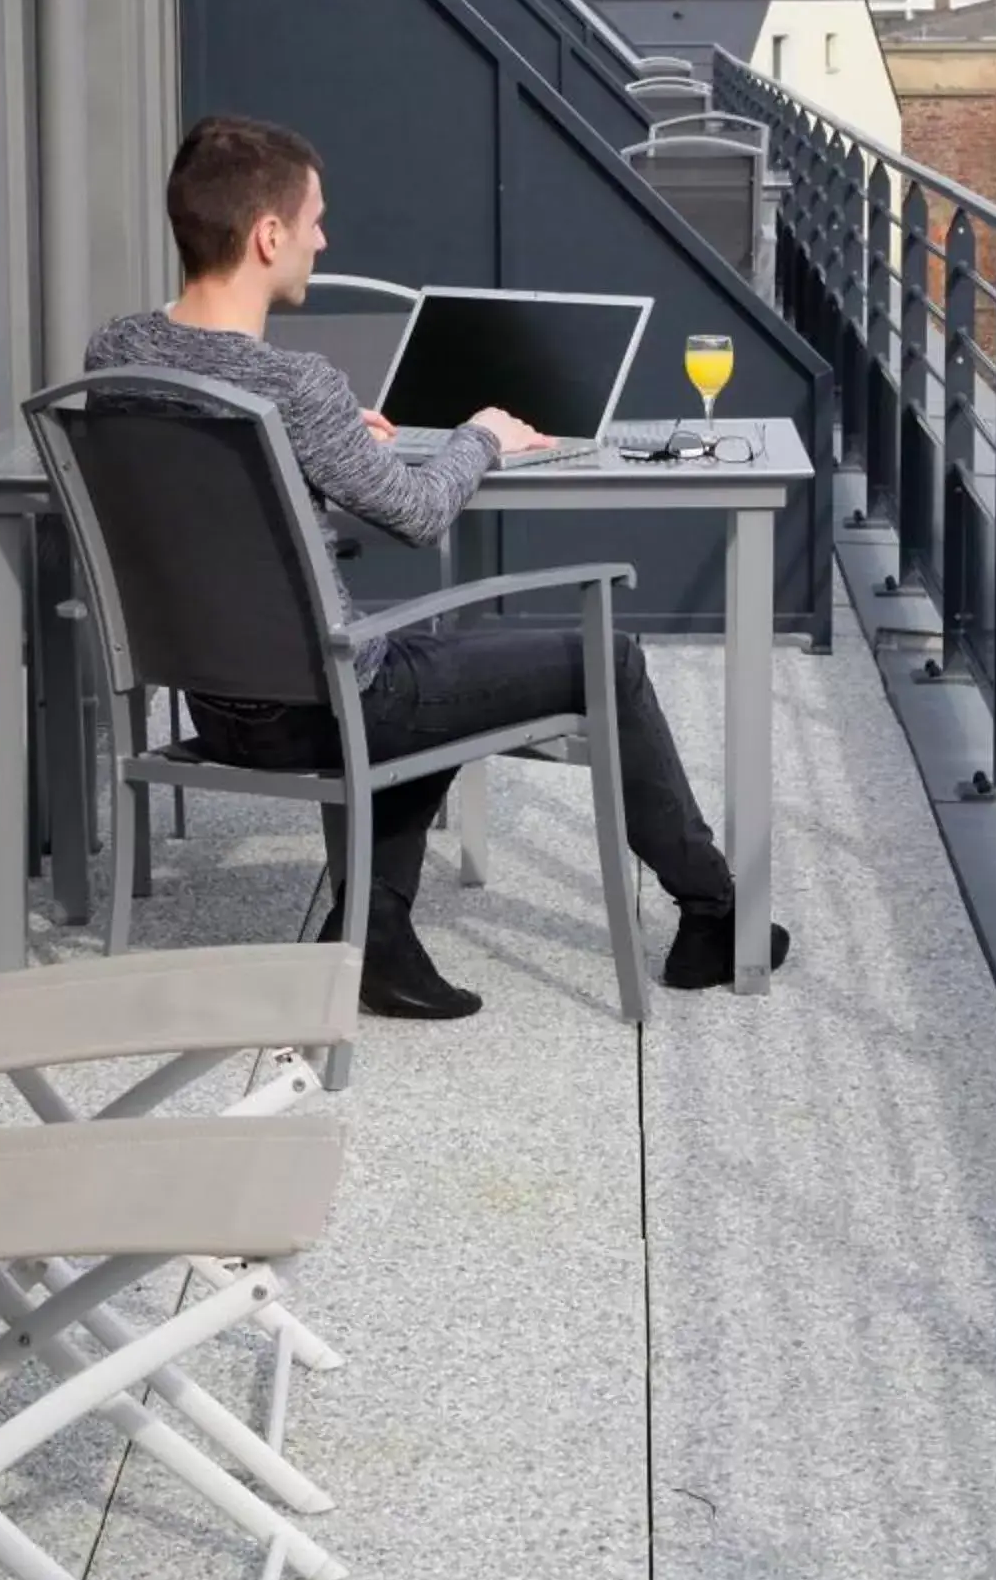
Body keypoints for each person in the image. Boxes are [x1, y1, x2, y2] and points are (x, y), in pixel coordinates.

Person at [87, 114, 794, 1020]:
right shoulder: (297, 388)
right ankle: (716, 915)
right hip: (328, 713)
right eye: (313, 221)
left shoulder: (115, 353)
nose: (323, 239)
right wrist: (483, 438)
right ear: (268, 237)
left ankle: (374, 935)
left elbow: (216, 469)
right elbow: (419, 515)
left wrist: (340, 441)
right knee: (602, 654)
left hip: (215, 708)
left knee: (439, 665)